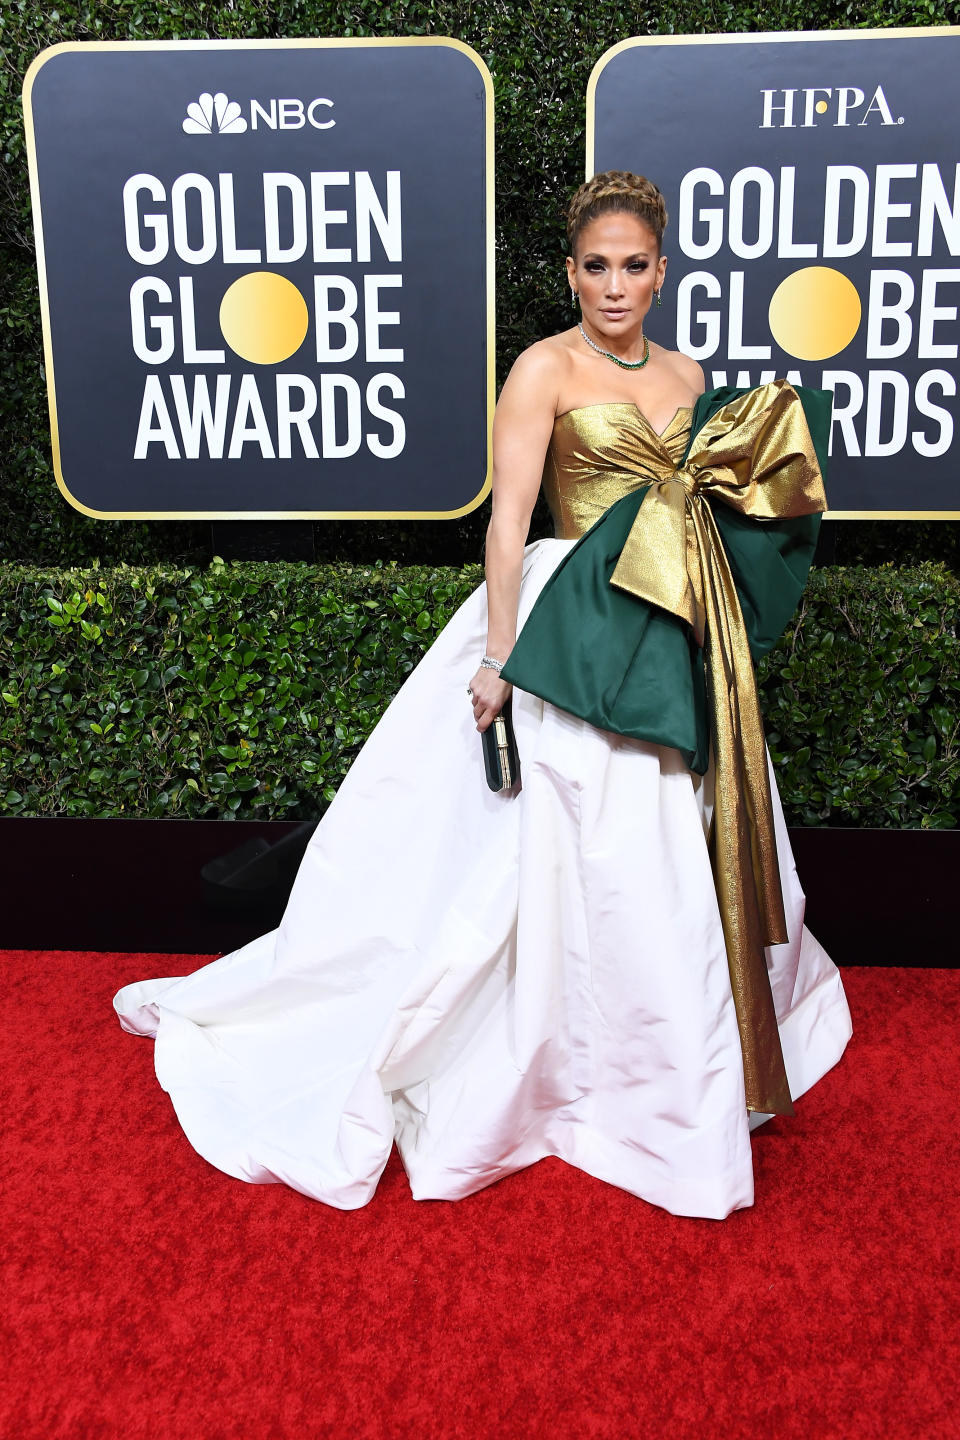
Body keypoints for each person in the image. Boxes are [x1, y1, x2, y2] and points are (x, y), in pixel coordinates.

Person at [115, 171, 851, 1220]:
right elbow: (508, 524)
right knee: (565, 851)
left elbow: (710, 519)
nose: (614, 283)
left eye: (633, 264)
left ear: (661, 269)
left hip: (667, 631)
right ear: (570, 271)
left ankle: (665, 1071)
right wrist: (499, 656)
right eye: (595, 265)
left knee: (664, 853)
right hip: (565, 631)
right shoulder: (543, 369)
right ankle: (574, 1069)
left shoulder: (691, 377)